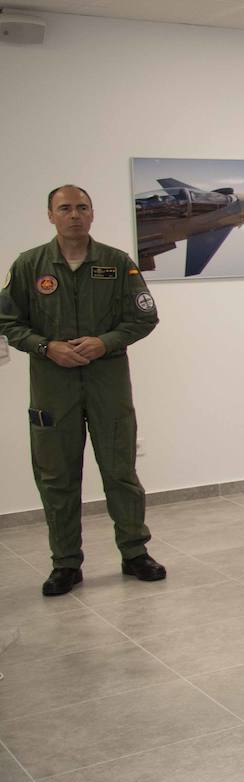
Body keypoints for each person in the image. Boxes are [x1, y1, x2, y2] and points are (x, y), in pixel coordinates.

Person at [0, 185, 167, 596]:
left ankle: (134, 552)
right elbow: (7, 320)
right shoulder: (28, 265)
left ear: (92, 214)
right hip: (52, 387)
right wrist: (45, 347)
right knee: (56, 477)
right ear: (50, 215)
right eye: (65, 208)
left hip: (107, 382)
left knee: (121, 473)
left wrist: (104, 342)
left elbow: (144, 317)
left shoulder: (116, 262)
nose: (74, 215)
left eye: (82, 208)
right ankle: (66, 563)